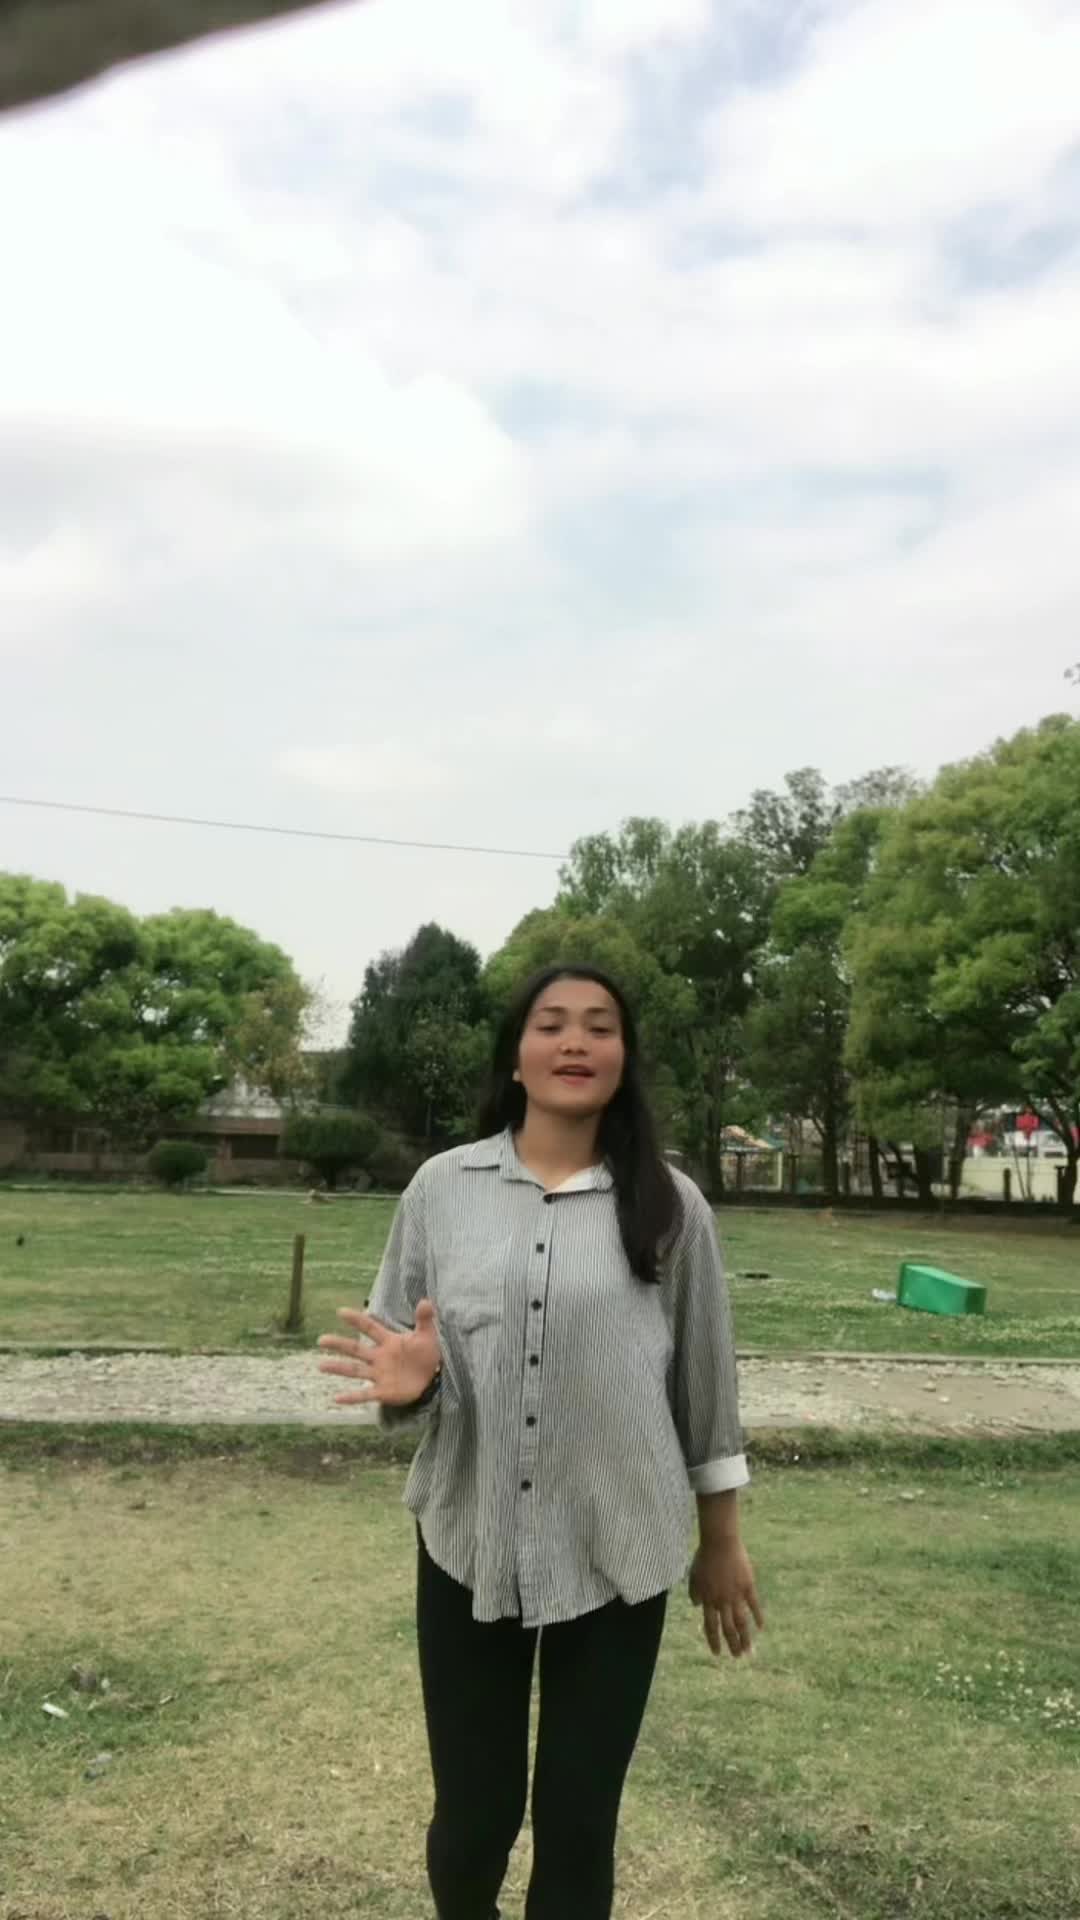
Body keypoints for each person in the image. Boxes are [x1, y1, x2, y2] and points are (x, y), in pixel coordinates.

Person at [317, 964, 763, 1920]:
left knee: (578, 1821)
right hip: (469, 1539)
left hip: (619, 1546)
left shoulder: (672, 1205)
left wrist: (721, 1540)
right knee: (473, 1819)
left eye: (599, 1027)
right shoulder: (443, 1188)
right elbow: (402, 1348)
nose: (575, 1042)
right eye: (552, 1024)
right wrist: (416, 1382)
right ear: (516, 1056)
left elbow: (705, 1382)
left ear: (624, 1058)